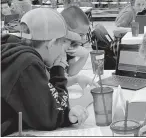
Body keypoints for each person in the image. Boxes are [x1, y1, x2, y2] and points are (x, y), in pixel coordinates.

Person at [1, 8, 89, 136]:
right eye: (62, 44)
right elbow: (51, 118)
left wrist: (64, 115)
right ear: (52, 43)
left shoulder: (13, 51)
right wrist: (58, 69)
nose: (62, 51)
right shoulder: (27, 63)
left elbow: (45, 105)